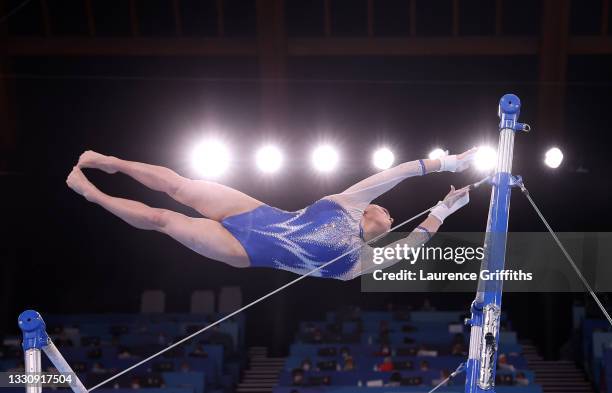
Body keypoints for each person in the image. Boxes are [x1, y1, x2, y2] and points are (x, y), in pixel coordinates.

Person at [67, 148, 475, 280]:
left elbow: (413, 242)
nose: (388, 211)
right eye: (383, 207)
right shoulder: (350, 201)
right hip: (255, 213)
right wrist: (451, 161)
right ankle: (110, 163)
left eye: (389, 214)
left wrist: (444, 207)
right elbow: (400, 173)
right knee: (181, 186)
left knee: (162, 219)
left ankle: (92, 195)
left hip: (242, 250)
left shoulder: (361, 264)